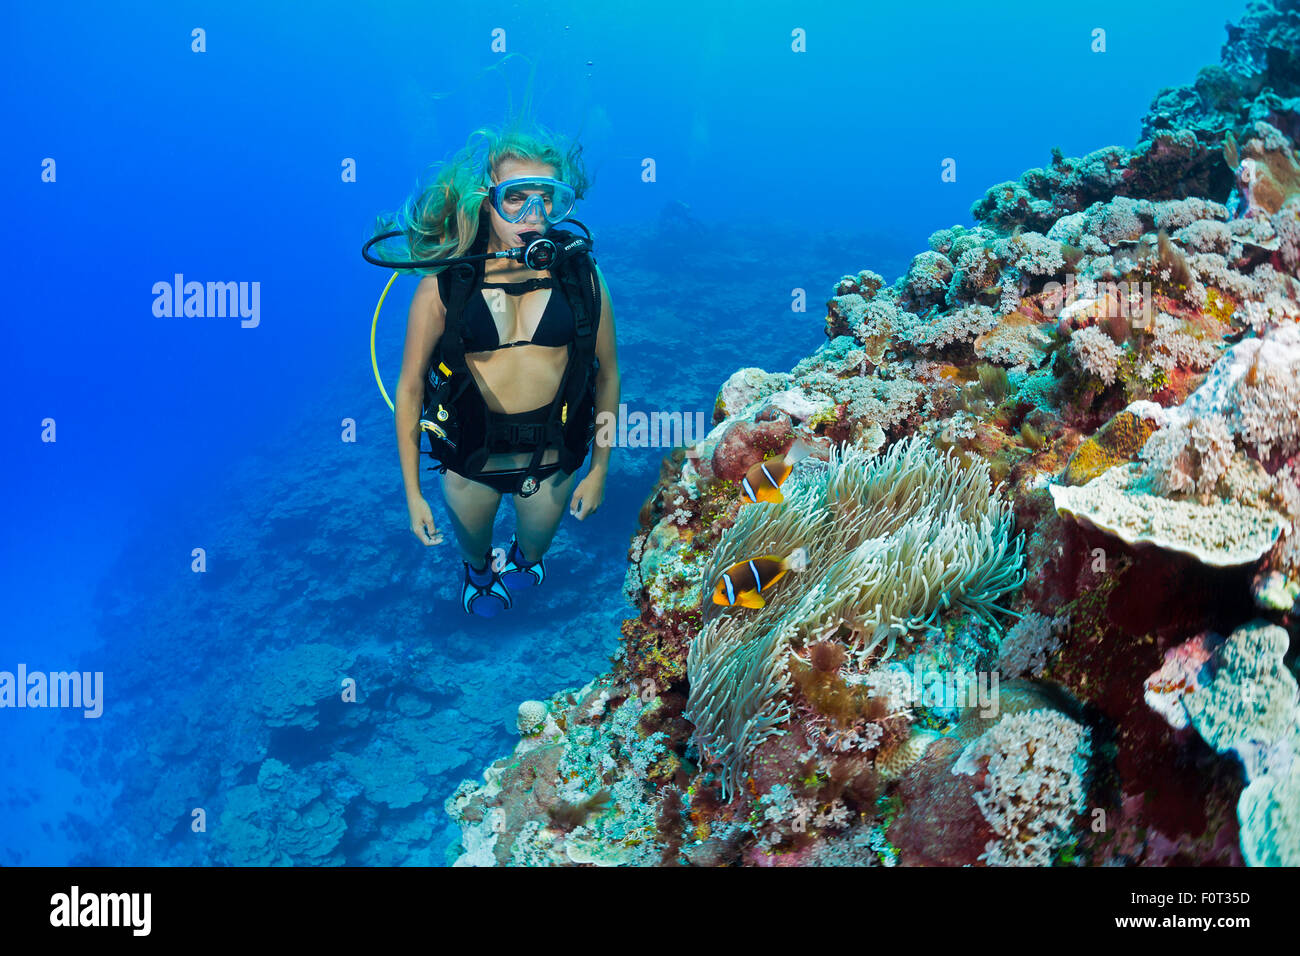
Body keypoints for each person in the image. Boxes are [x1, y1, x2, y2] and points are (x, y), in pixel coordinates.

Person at [391, 127, 620, 617]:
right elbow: (409, 388)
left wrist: (599, 469)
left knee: (533, 557)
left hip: (554, 460)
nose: (532, 216)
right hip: (470, 464)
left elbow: (608, 376)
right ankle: (477, 574)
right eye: (515, 197)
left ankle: (520, 558)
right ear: (487, 200)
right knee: (475, 557)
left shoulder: (582, 279)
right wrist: (412, 494)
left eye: (548, 199)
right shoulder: (444, 285)